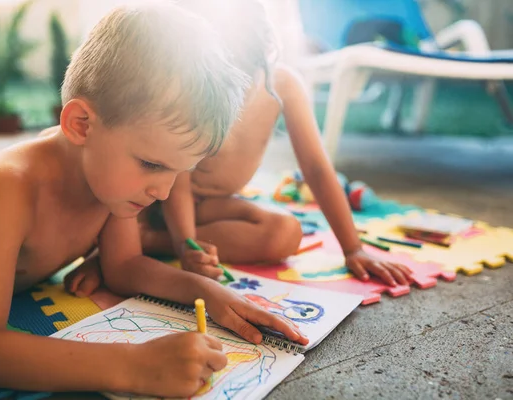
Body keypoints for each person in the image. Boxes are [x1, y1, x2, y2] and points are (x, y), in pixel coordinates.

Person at [0, 3, 307, 397]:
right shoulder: (8, 187)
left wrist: (215, 295)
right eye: (152, 163)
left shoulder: (110, 181)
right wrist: (133, 365)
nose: (164, 193)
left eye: (178, 171)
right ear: (81, 125)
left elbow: (123, 267)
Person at [67, 0, 412, 291]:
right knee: (132, 207)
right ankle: (128, 247)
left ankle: (144, 243)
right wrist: (185, 246)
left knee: (286, 233)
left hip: (213, 207)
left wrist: (354, 248)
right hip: (157, 195)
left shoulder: (284, 85)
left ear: (262, 50)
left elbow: (318, 170)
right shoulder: (185, 88)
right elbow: (177, 176)